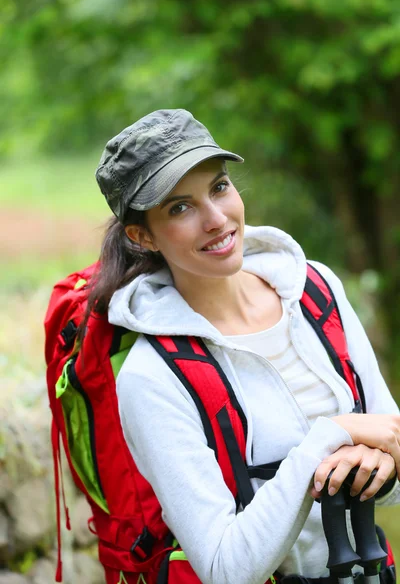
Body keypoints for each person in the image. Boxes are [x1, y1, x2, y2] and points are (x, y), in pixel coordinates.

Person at [91, 109, 400, 584]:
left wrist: (384, 461)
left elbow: (390, 442)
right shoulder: (153, 377)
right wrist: (333, 433)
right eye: (180, 207)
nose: (217, 220)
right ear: (141, 235)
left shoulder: (315, 291)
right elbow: (225, 568)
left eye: (218, 187)